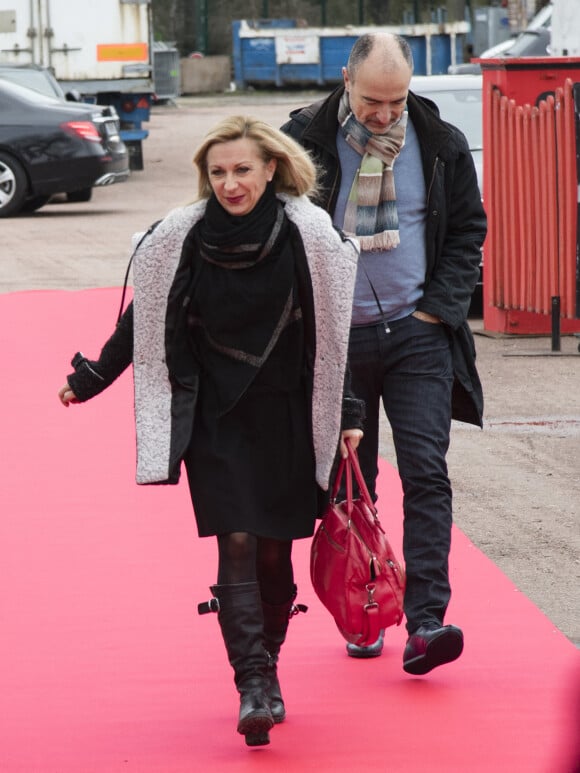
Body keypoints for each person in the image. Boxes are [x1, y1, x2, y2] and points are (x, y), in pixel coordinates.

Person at [58, 115, 364, 746]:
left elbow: (335, 335)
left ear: (271, 168)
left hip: (287, 414)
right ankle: (253, 685)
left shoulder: (307, 233)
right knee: (238, 543)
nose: (230, 184)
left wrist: (351, 412)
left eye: (242, 170)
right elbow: (146, 313)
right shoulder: (185, 238)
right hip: (216, 417)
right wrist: (92, 376)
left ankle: (269, 665)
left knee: (277, 557)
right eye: (219, 172)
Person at [282, 32, 487, 673]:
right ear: (347, 79)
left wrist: (439, 309)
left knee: (427, 472)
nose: (385, 114)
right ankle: (363, 610)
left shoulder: (441, 141)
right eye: (373, 100)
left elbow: (467, 230)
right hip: (336, 341)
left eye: (396, 101)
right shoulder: (300, 140)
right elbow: (282, 234)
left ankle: (426, 622)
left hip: (418, 333)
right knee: (354, 484)